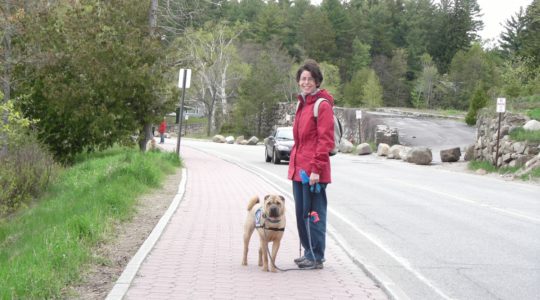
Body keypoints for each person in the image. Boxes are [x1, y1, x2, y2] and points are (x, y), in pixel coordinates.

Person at [288, 60, 335, 269]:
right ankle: (308, 252)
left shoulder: (321, 105)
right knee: (301, 213)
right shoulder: (301, 104)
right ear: (299, 82)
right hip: (299, 168)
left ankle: (316, 256)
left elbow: (325, 141)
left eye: (310, 79)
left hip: (314, 171)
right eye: (303, 79)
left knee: (314, 214)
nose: (306, 82)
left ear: (317, 81)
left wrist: (316, 169)